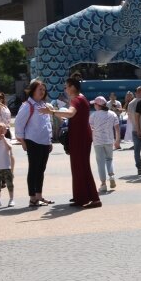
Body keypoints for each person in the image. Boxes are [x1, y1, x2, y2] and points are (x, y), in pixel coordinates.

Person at [42, 76, 101, 209]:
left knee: (82, 167)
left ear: (73, 87)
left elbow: (70, 114)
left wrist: (51, 112)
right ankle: (81, 197)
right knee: (78, 167)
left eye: (66, 87)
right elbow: (70, 115)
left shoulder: (77, 100)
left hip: (80, 138)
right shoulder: (81, 99)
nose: (65, 89)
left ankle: (94, 199)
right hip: (79, 137)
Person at [15, 80, 54, 207]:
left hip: (44, 142)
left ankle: (39, 196)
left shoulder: (44, 105)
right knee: (33, 169)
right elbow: (19, 124)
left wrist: (50, 140)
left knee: (41, 170)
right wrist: (22, 141)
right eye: (39, 89)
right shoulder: (28, 105)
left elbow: (47, 124)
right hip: (33, 141)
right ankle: (32, 198)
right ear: (33, 91)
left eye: (43, 89)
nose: (42, 92)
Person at [89, 96, 120, 192]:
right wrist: (117, 140)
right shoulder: (112, 114)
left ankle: (103, 183)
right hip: (109, 140)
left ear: (98, 105)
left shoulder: (93, 115)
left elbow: (90, 129)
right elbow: (117, 128)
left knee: (100, 162)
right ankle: (111, 176)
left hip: (97, 141)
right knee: (109, 159)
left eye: (94, 104)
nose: (94, 105)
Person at [0, 122, 15, 207]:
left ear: (5, 131)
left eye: (1, 130)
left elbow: (9, 148)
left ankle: (11, 199)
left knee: (9, 184)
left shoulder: (7, 140)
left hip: (6, 166)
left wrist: (4, 139)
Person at [126, 85, 141, 175]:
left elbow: (129, 117)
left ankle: (139, 168)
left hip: (134, 128)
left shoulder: (130, 104)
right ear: (140, 92)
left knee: (137, 150)